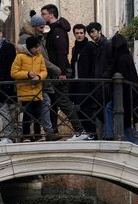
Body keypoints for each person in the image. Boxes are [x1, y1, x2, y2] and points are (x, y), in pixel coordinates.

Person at [41, 4, 86, 140]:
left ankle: (80, 131)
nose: (42, 16)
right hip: (55, 72)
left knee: (64, 102)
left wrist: (61, 73)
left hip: (59, 73)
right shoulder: (54, 30)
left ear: (51, 14)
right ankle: (52, 133)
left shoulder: (58, 31)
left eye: (44, 14)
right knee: (53, 103)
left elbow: (62, 53)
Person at [18, 12, 61, 141]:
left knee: (41, 105)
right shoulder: (26, 40)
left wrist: (41, 75)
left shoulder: (38, 38)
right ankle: (32, 134)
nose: (43, 29)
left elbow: (41, 63)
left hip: (40, 81)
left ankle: (43, 133)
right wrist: (55, 69)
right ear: (35, 26)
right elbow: (16, 70)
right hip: (29, 84)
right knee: (29, 109)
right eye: (41, 27)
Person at [104, 33, 138, 143]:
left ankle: (111, 135)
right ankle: (113, 135)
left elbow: (122, 78)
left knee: (126, 122)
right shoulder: (126, 56)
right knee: (126, 121)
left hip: (124, 96)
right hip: (128, 95)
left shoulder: (120, 59)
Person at [10, 36, 48, 142]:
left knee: (37, 115)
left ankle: (38, 135)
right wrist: (27, 74)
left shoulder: (39, 57)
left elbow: (44, 71)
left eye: (38, 47)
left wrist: (39, 77)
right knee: (27, 114)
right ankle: (26, 136)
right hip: (25, 92)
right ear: (30, 48)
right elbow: (13, 73)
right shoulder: (20, 57)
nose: (38, 49)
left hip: (37, 90)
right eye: (36, 47)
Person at [70, 23, 97, 139]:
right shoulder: (74, 48)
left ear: (84, 33)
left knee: (87, 108)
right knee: (78, 108)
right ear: (74, 34)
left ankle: (92, 133)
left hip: (87, 83)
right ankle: (86, 132)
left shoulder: (90, 47)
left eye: (81, 33)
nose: (79, 35)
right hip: (76, 83)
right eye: (77, 33)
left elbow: (93, 66)